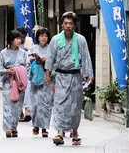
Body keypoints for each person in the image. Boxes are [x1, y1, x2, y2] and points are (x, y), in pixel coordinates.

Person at [44, 11, 94, 146]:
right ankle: (60, 133)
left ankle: (75, 132)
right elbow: (50, 58)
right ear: (61, 25)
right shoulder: (55, 40)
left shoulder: (80, 40)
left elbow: (86, 57)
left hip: (76, 76)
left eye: (70, 24)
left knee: (75, 106)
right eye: (65, 23)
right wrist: (47, 74)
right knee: (59, 104)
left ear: (74, 25)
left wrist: (89, 74)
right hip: (60, 76)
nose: (68, 26)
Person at [0, 30, 29, 138]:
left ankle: (14, 127)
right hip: (8, 82)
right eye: (17, 39)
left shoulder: (24, 53)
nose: (19, 40)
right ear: (11, 40)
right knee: (7, 105)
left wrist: (19, 71)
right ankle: (8, 127)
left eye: (20, 39)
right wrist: (7, 71)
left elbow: (27, 67)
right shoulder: (3, 53)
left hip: (19, 82)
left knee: (17, 106)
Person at [28, 27, 53, 138]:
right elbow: (26, 62)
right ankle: (36, 125)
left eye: (46, 36)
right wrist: (34, 59)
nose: (44, 38)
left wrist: (46, 60)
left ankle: (44, 128)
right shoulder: (32, 48)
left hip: (47, 80)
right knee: (35, 105)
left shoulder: (51, 49)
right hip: (35, 81)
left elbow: (55, 62)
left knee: (46, 104)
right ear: (38, 37)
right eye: (42, 35)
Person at [17, 27, 33, 122]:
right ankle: (20, 112)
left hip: (27, 71)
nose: (20, 39)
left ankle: (27, 112)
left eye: (22, 36)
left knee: (27, 92)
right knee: (18, 92)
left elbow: (34, 53)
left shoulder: (29, 42)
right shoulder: (14, 42)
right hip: (17, 71)